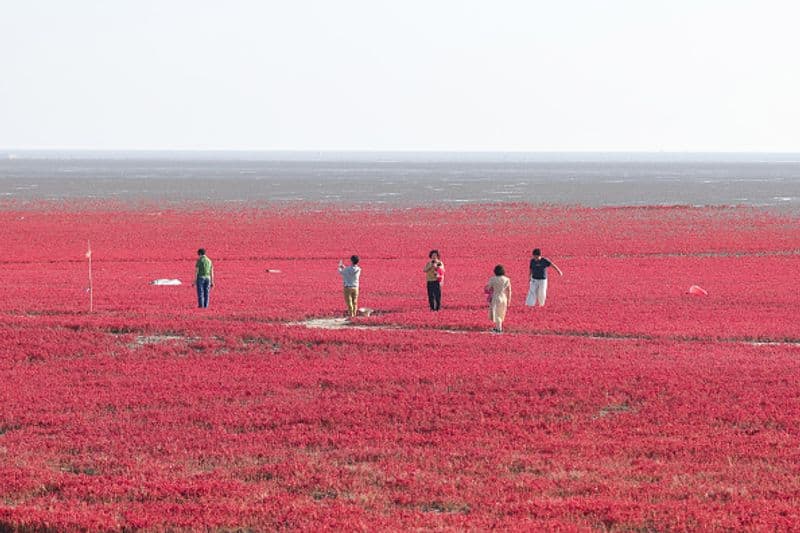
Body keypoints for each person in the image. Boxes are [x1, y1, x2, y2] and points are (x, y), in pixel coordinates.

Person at [485, 264, 512, 333]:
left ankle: (498, 329)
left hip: (496, 297)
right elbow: (509, 290)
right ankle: (498, 327)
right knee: (501, 313)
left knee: (496, 313)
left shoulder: (493, 279)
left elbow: (488, 288)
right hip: (504, 298)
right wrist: (509, 300)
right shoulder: (507, 279)